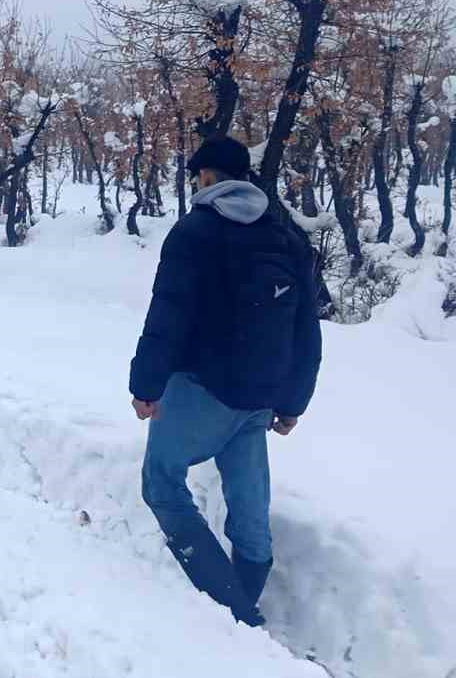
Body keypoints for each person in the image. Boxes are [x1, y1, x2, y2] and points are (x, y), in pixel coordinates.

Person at [129, 134, 322, 627]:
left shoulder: (196, 230)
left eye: (199, 176)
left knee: (161, 484)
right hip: (260, 397)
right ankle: (242, 601)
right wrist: (293, 401)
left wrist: (146, 384)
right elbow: (306, 327)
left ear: (208, 177)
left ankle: (234, 614)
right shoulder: (285, 235)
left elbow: (168, 313)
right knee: (249, 510)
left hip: (200, 390)